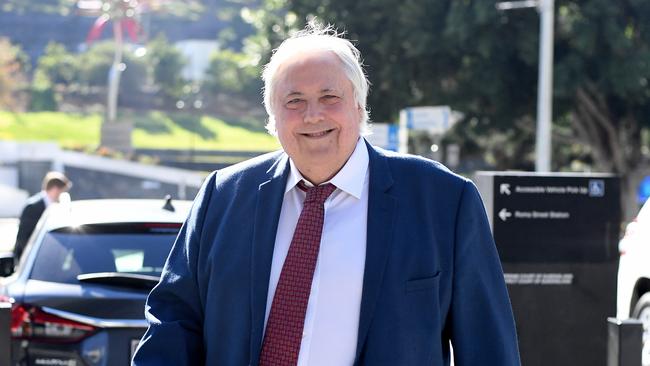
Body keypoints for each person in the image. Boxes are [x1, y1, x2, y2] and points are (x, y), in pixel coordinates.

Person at [133, 23, 520, 366]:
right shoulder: (224, 196)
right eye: (294, 101)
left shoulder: (444, 201)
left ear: (358, 105)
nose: (312, 115)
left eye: (329, 97)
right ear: (273, 118)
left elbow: (488, 347)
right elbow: (174, 322)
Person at [13, 171, 71, 261]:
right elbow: (23, 238)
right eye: (62, 191)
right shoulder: (32, 207)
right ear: (55, 189)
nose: (62, 195)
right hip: (30, 260)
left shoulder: (56, 206)